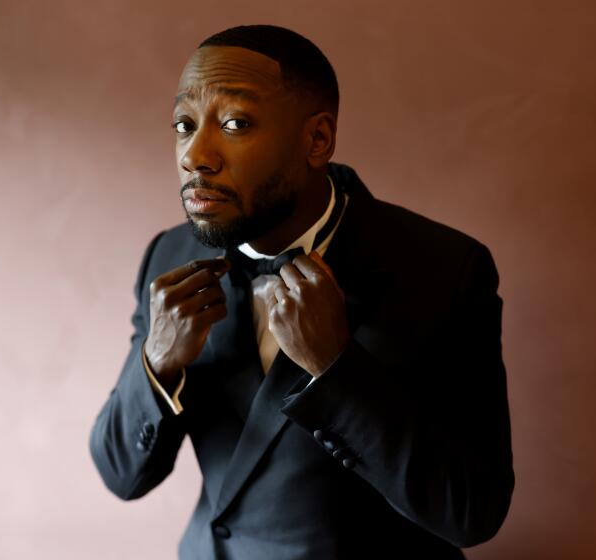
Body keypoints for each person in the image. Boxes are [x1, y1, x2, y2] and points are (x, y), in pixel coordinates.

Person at [89, 24, 514, 560]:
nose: (196, 154)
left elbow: (472, 511)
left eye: (235, 122)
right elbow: (119, 474)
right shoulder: (169, 257)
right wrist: (156, 363)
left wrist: (337, 370)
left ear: (317, 140)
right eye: (183, 124)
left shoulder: (447, 269)